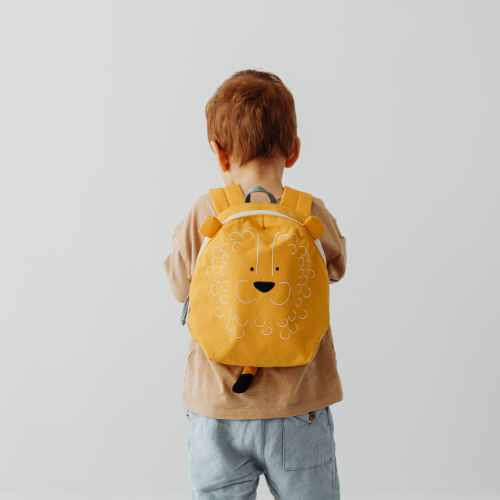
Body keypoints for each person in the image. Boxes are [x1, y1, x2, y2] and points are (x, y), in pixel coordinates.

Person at [164, 69, 347, 499]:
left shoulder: (205, 212)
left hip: (217, 407)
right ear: (294, 150)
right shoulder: (309, 211)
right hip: (299, 405)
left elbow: (178, 286)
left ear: (219, 153)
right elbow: (336, 267)